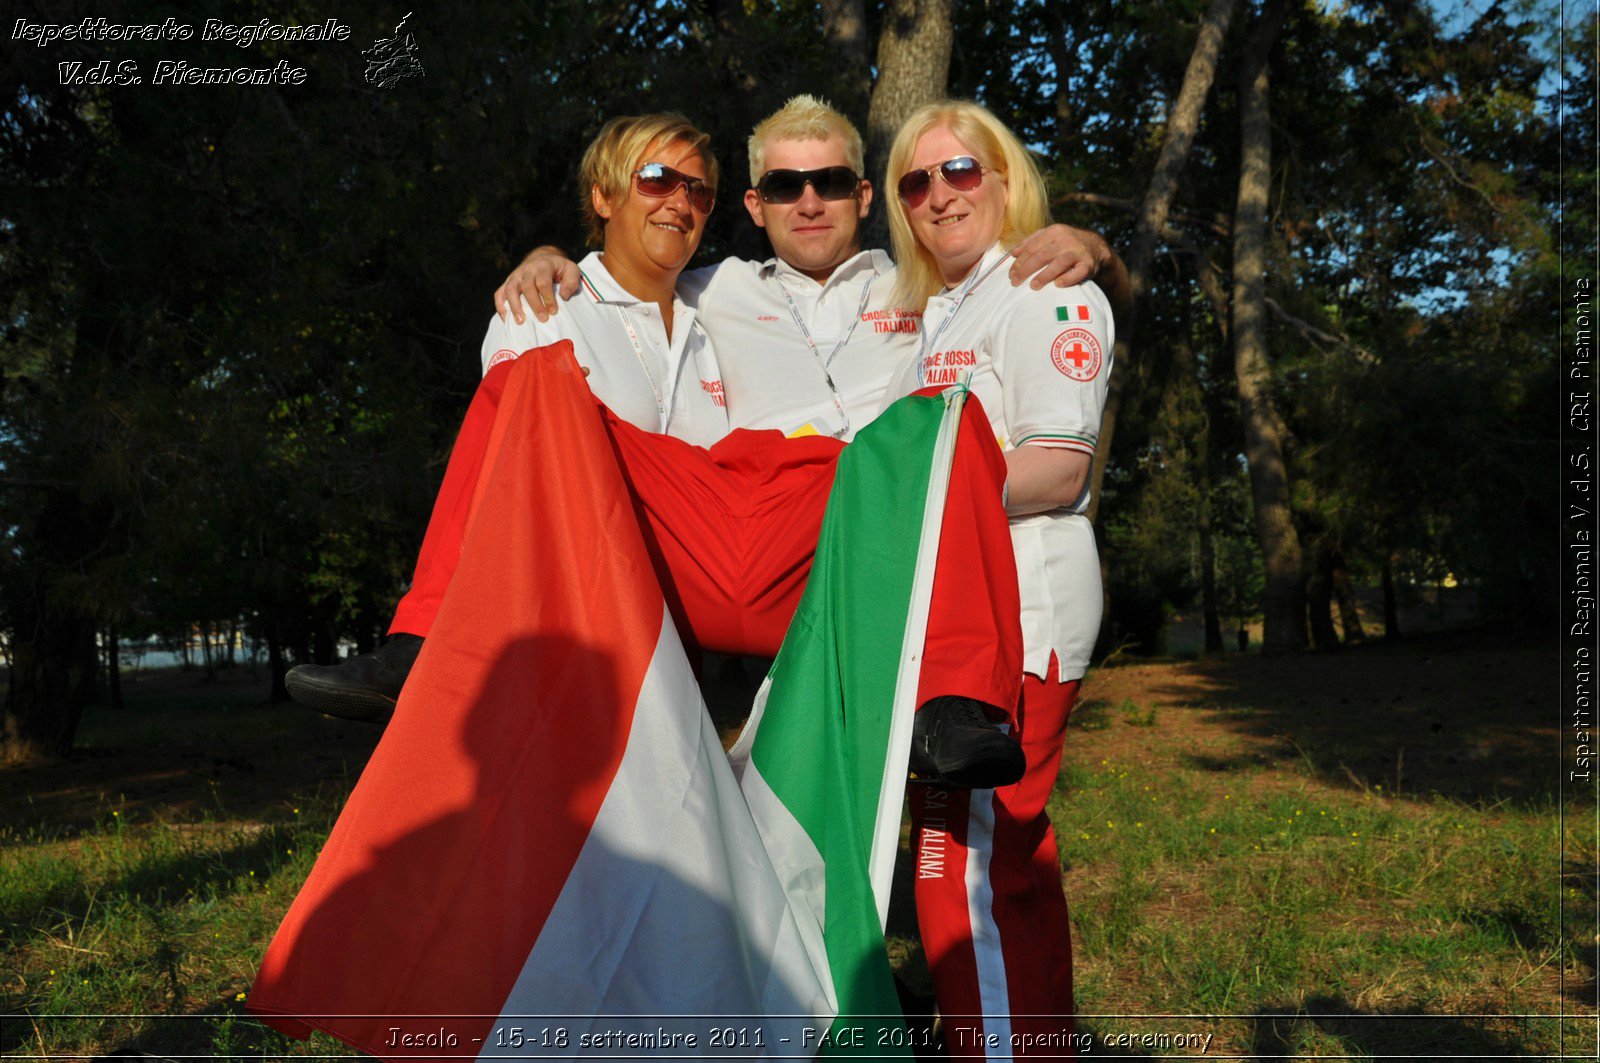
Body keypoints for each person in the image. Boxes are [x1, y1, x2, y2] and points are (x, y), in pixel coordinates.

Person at [286, 110, 1030, 789]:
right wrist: (545, 256)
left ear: (866, 197)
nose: (808, 200)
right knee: (528, 387)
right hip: (679, 523)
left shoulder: (920, 284)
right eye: (783, 184)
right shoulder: (718, 287)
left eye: (830, 182)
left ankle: (950, 706)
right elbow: (613, 282)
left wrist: (1083, 248)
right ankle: (421, 644)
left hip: (840, 524)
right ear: (755, 204)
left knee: (952, 416)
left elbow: (1000, 273)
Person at [881, 99, 1114, 1058]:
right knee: (1006, 851)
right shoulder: (940, 308)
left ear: (1007, 179)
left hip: (1020, 609)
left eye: (961, 171)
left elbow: (1058, 465)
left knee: (958, 862)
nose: (940, 195)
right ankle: (1036, 1035)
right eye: (916, 181)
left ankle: (992, 1045)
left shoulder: (1046, 290)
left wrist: (896, 507)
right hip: (958, 617)